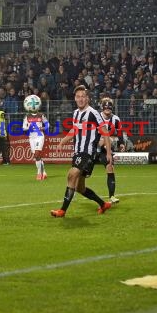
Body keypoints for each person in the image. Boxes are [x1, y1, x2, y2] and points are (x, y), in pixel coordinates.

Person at [51, 85, 112, 218]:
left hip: (88, 152)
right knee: (80, 188)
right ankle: (103, 204)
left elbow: (105, 132)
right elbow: (74, 131)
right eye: (78, 97)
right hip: (77, 152)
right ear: (75, 98)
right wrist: (62, 142)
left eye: (83, 96)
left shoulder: (93, 113)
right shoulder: (75, 113)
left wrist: (108, 153)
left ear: (87, 98)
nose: (80, 99)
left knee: (72, 175)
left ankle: (62, 211)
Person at [98, 98, 125, 204]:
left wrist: (121, 144)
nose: (108, 109)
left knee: (110, 167)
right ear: (102, 108)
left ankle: (112, 196)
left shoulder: (116, 119)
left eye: (109, 108)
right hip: (94, 147)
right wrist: (101, 141)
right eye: (106, 107)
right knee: (83, 172)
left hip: (106, 149)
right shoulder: (97, 117)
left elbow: (119, 133)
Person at [22, 102, 48, 180]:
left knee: (37, 154)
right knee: (37, 156)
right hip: (32, 137)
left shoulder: (41, 115)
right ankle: (44, 172)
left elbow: (47, 124)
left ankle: (39, 173)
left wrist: (42, 128)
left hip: (39, 136)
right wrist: (28, 128)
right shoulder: (27, 117)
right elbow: (24, 128)